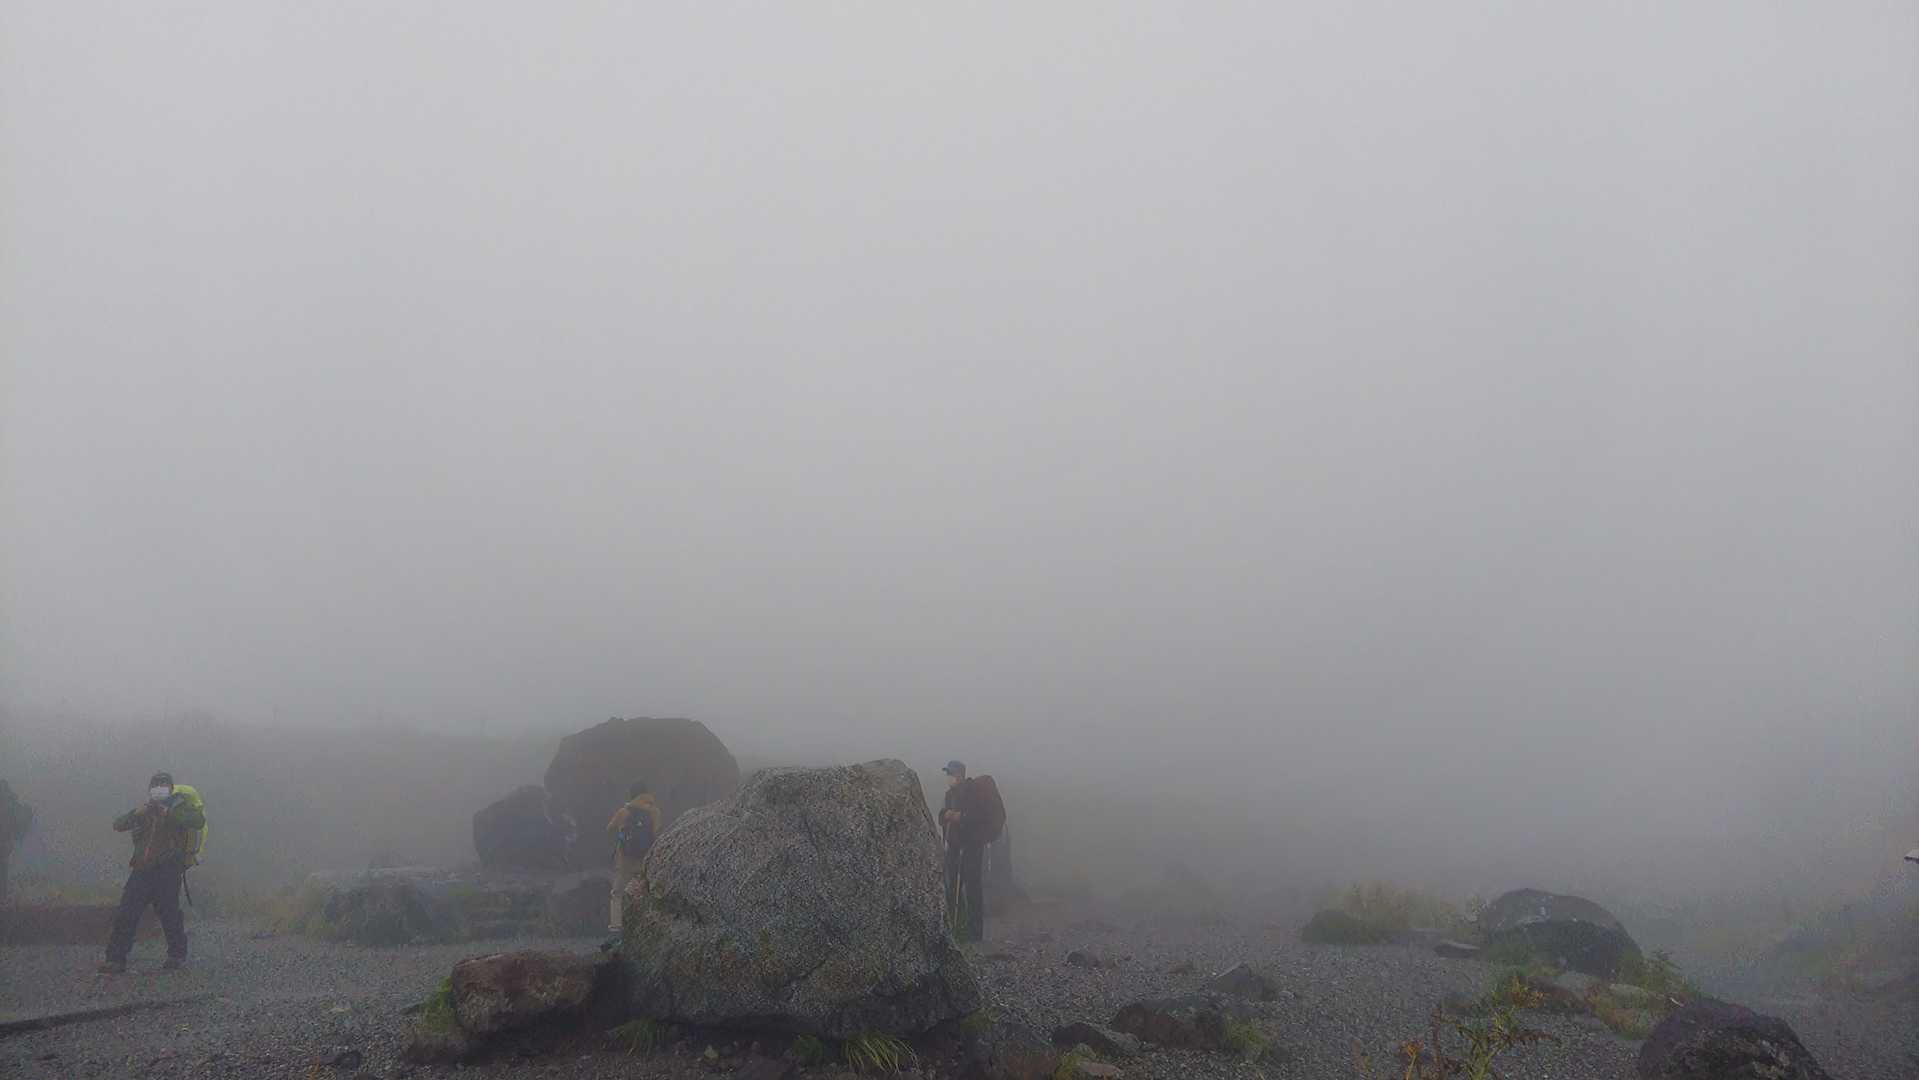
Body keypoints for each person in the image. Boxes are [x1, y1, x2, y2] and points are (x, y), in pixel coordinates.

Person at [100, 772, 203, 973]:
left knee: (169, 914)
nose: (159, 788)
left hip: (168, 870)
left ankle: (176, 956)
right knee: (126, 913)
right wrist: (136, 814)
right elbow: (118, 825)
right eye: (156, 785)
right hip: (141, 869)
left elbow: (198, 820)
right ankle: (115, 959)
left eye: (163, 785)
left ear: (171, 788)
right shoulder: (145, 810)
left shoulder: (180, 807)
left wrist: (169, 814)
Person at [940, 760, 988, 943]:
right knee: (952, 887)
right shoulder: (949, 794)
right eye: (948, 774)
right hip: (954, 847)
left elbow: (979, 817)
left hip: (972, 847)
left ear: (959, 775)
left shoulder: (972, 792)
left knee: (973, 888)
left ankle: (975, 935)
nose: (948, 777)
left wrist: (961, 817)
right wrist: (945, 815)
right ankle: (957, 930)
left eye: (950, 773)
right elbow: (943, 816)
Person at [605, 780, 663, 934]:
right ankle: (644, 927)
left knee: (618, 893)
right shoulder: (655, 812)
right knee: (644, 892)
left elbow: (609, 829)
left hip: (625, 860)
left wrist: (621, 834)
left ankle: (616, 926)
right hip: (646, 860)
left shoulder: (624, 811)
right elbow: (656, 832)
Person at [0, 778, 33, 906]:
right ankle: (2, 899)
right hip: (5, 844)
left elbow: (16, 821)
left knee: (3, 868)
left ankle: (2, 898)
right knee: (3, 868)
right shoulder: (10, 802)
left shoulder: (9, 803)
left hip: (4, 844)